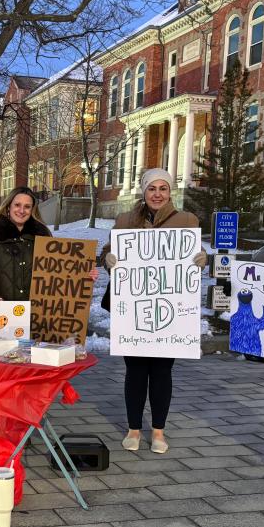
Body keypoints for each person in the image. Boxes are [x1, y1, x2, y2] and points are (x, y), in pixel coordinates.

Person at [100, 168, 207, 455]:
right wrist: (108, 258)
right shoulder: (125, 220)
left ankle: (158, 430)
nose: (157, 194)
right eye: (151, 188)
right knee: (134, 371)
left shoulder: (187, 220)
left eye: (163, 188)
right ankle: (134, 428)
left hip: (169, 311)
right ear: (144, 191)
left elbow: (192, 256)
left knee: (162, 372)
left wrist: (201, 259)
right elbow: (108, 252)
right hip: (134, 309)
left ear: (169, 191)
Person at [0, 186, 52, 301]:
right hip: (1, 312)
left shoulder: (43, 238)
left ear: (32, 210)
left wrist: (82, 276)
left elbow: (56, 274)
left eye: (27, 207)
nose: (21, 211)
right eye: (17, 205)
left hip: (35, 313)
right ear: (8, 206)